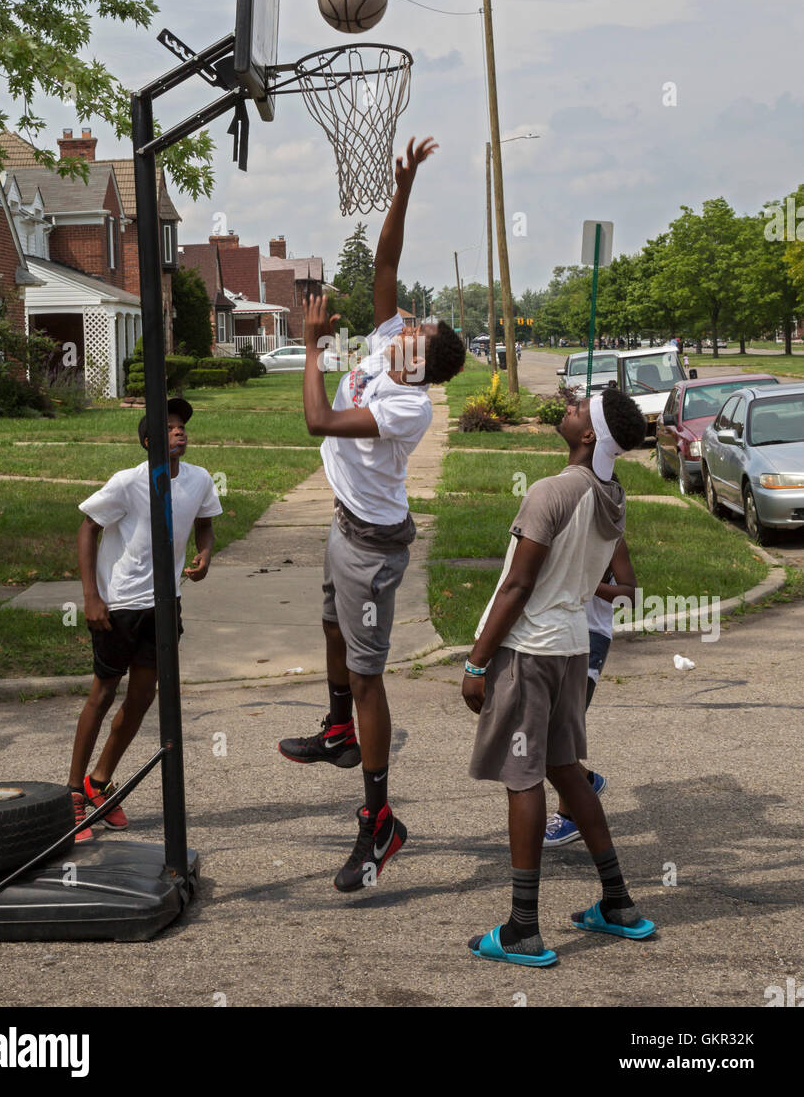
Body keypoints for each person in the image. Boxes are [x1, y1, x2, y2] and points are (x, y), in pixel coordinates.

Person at [278, 136, 466, 892]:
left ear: (419, 362)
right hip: (345, 522)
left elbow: (319, 424)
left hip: (373, 543)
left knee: (367, 678)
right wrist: (405, 186)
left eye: (413, 329)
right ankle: (337, 734)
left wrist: (316, 350)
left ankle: (380, 821)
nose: (403, 321)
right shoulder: (390, 344)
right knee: (330, 630)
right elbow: (386, 264)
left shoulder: (403, 403)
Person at [462, 387, 655, 966]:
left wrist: (476, 662)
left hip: (529, 652)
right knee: (566, 774)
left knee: (522, 781)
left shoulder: (551, 493)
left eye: (577, 410)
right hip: (572, 649)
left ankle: (523, 929)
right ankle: (618, 904)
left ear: (590, 434)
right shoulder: (611, 494)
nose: (566, 411)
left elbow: (518, 586)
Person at [69, 398, 222, 841]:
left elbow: (206, 524)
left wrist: (206, 554)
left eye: (182, 427)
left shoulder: (198, 480)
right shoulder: (127, 482)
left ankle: (97, 784)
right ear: (148, 441)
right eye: (169, 427)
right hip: (119, 605)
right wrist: (91, 597)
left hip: (164, 603)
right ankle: (71, 798)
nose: (180, 432)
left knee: (141, 699)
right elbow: (87, 527)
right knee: (102, 695)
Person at [543, 537, 636, 846]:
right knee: (543, 731)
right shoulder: (559, 530)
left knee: (560, 731)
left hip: (589, 637)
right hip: (552, 633)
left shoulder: (611, 541)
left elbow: (629, 596)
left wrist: (590, 584)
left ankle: (569, 816)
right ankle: (584, 781)